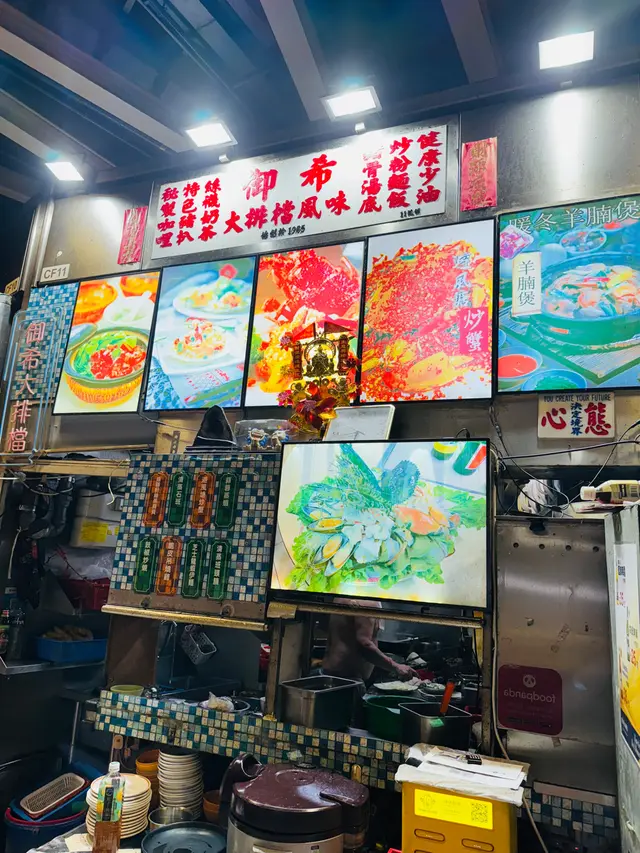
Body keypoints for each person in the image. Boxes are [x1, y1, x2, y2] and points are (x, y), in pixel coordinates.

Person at [322, 599, 418, 685]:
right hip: (348, 680)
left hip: (333, 674)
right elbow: (365, 644)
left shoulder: (344, 595)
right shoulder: (367, 602)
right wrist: (396, 666)